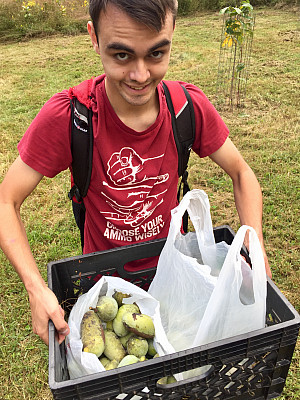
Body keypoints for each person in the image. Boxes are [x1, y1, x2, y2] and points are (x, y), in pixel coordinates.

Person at [0, 0, 271, 346]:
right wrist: (35, 288)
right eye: (122, 55)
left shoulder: (187, 109)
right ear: (94, 38)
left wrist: (254, 244)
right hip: (106, 292)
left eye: (156, 54)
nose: (141, 75)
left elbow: (241, 173)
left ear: (172, 34)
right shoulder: (71, 118)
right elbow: (7, 199)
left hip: (176, 279)